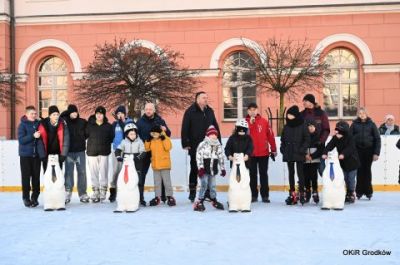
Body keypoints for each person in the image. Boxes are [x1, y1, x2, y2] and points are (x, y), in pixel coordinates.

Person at [181, 91, 220, 202]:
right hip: (195, 146)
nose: (206, 99)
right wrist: (185, 143)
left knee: (209, 169)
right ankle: (192, 192)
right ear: (197, 99)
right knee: (194, 169)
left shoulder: (210, 111)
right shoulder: (190, 111)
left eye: (206, 97)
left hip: (209, 147)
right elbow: (185, 128)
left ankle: (208, 193)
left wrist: (219, 142)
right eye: (203, 98)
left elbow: (215, 126)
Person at [137, 102, 171, 205]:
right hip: (145, 151)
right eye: (146, 109)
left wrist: (165, 129)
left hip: (159, 152)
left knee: (161, 175)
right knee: (142, 174)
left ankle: (164, 196)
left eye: (150, 109)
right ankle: (140, 197)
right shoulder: (140, 122)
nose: (148, 111)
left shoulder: (160, 120)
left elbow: (168, 134)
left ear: (154, 110)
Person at [245, 102, 277, 203]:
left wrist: (274, 148)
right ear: (247, 111)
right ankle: (253, 195)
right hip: (251, 153)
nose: (252, 111)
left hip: (263, 153)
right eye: (250, 110)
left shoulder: (264, 121)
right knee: (252, 174)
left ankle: (265, 195)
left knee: (263, 174)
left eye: (254, 109)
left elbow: (270, 135)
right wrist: (251, 123)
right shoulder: (244, 122)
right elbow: (242, 137)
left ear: (257, 110)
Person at [322, 121, 360, 203]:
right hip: (343, 163)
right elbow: (329, 145)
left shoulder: (350, 137)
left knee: (351, 179)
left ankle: (351, 193)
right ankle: (347, 193)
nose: (337, 132)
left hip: (352, 162)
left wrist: (343, 154)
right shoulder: (335, 138)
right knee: (345, 178)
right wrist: (325, 153)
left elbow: (350, 148)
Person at [280, 105, 310, 205]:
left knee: (300, 173)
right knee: (291, 173)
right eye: (288, 114)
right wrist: (283, 149)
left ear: (295, 115)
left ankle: (301, 193)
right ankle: (292, 193)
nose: (288, 116)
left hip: (299, 153)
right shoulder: (286, 126)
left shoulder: (302, 125)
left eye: (290, 114)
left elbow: (307, 139)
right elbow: (283, 140)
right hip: (289, 153)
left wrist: (302, 150)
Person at [60, 104, 90, 204]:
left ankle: (82, 193)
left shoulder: (82, 122)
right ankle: (67, 192)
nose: (74, 114)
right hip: (69, 152)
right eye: (72, 112)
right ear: (69, 113)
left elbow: (87, 133)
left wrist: (81, 139)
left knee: (82, 172)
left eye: (75, 112)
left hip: (80, 151)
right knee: (68, 173)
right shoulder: (64, 121)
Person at [349, 107, 381, 200]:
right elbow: (349, 138)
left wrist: (376, 153)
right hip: (357, 151)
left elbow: (377, 139)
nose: (361, 114)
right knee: (359, 170)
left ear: (366, 114)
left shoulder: (372, 124)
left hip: (369, 151)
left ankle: (368, 191)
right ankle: (359, 191)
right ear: (358, 114)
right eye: (360, 113)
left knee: (367, 170)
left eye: (363, 113)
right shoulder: (354, 124)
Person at [193, 126, 226, 211]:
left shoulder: (218, 145)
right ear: (208, 135)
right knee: (204, 184)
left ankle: (213, 199)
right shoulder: (203, 144)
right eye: (212, 134)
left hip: (213, 169)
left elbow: (221, 157)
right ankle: (199, 201)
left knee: (213, 186)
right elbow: (198, 157)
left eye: (215, 135)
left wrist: (222, 168)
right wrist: (200, 168)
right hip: (204, 169)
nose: (214, 136)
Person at [17, 106, 45, 207]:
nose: (34, 115)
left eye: (35, 113)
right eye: (31, 114)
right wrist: (33, 136)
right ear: (27, 114)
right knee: (26, 177)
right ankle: (26, 198)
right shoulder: (22, 125)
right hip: (25, 156)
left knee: (36, 178)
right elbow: (21, 140)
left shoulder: (38, 124)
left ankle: (35, 197)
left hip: (36, 155)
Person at [86, 106, 114, 203]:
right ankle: (96, 191)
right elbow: (85, 135)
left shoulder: (108, 126)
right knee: (93, 173)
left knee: (104, 172)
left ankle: (103, 191)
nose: (99, 115)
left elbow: (111, 138)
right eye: (97, 113)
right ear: (95, 114)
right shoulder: (89, 125)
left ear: (104, 115)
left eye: (101, 114)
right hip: (92, 152)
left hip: (104, 152)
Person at [145, 126, 176, 207]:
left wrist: (164, 138)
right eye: (152, 133)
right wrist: (147, 141)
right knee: (157, 182)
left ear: (159, 133)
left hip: (164, 164)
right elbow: (147, 149)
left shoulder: (164, 138)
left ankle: (170, 196)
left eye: (155, 133)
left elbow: (168, 147)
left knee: (167, 182)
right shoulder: (151, 140)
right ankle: (157, 197)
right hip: (155, 165)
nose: (153, 135)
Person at [109, 105, 133, 203]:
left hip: (127, 150)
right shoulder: (115, 124)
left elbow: (127, 134)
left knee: (126, 172)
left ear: (125, 114)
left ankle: (125, 191)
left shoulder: (130, 122)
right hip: (116, 150)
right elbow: (111, 136)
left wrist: (120, 122)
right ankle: (113, 191)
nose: (120, 115)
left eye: (121, 113)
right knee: (116, 171)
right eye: (118, 113)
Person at [37, 105, 70, 171]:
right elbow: (40, 142)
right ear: (50, 116)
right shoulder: (43, 124)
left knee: (58, 176)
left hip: (58, 155)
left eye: (57, 114)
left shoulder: (63, 124)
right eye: (54, 114)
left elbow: (66, 141)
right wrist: (43, 156)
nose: (56, 116)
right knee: (47, 176)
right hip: (47, 155)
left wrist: (63, 155)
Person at [114, 122, 145, 187]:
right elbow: (118, 150)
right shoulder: (124, 142)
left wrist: (137, 158)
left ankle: (139, 195)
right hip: (127, 164)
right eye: (131, 134)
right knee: (127, 180)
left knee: (138, 180)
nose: (133, 136)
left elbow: (143, 152)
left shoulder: (139, 141)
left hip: (137, 164)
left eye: (134, 134)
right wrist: (118, 156)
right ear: (127, 135)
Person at [303, 119, 324, 204]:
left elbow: (321, 149)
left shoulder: (319, 137)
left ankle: (315, 191)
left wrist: (312, 156)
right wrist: (305, 155)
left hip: (314, 160)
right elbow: (300, 147)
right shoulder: (303, 137)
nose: (310, 128)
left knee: (314, 177)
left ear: (315, 127)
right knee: (306, 177)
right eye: (309, 126)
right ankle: (307, 191)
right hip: (305, 161)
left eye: (312, 126)